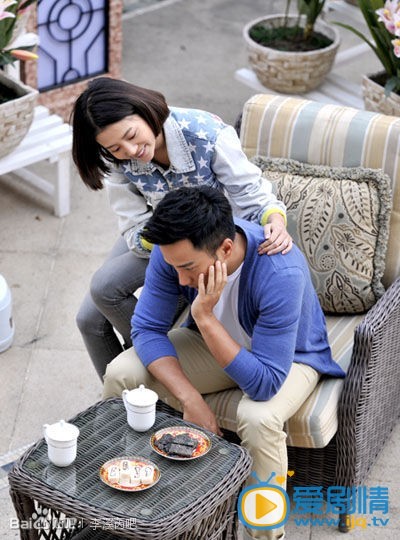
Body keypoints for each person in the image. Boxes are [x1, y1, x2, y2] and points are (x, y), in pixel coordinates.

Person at [102, 186, 345, 540]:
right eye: (174, 266)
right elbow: (147, 328)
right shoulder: (173, 252)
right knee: (121, 373)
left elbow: (264, 384)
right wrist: (190, 398)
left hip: (289, 359)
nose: (181, 279)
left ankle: (264, 535)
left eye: (188, 268)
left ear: (226, 249)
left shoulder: (281, 271)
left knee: (258, 418)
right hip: (212, 346)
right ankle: (123, 500)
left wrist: (204, 317)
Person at [71, 77, 293, 379]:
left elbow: (251, 192)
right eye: (115, 148)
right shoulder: (115, 157)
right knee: (88, 320)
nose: (131, 150)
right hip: (152, 232)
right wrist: (159, 238)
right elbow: (133, 224)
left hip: (201, 239)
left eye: (132, 135)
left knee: (104, 287)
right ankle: (124, 391)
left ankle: (151, 365)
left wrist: (275, 221)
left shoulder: (208, 135)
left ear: (143, 110)